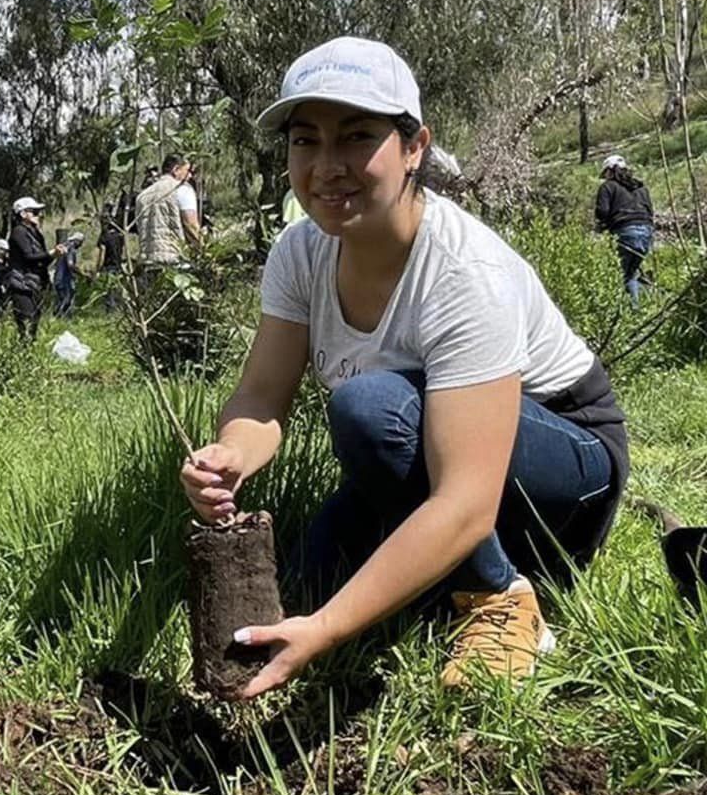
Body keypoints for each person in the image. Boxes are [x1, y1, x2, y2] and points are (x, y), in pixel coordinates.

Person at [180, 36, 628, 699]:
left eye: (356, 137)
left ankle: (501, 598)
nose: (326, 167)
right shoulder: (300, 255)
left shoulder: (463, 272)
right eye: (306, 141)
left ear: (415, 145)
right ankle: (448, 582)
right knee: (309, 578)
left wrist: (327, 630)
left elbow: (467, 502)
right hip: (431, 452)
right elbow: (262, 396)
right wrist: (230, 456)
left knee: (370, 409)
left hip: (566, 464)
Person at [595, 154, 654, 305]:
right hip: (646, 233)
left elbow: (602, 212)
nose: (605, 177)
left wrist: (602, 226)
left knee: (623, 275)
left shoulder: (608, 187)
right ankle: (645, 299)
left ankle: (632, 311)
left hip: (625, 233)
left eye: (605, 173)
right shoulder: (641, 188)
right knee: (632, 272)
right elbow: (650, 211)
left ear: (610, 170)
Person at [6, 196, 64, 341]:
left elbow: (41, 261)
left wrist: (54, 255)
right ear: (23, 214)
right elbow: (29, 257)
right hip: (22, 286)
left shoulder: (36, 233)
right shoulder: (18, 232)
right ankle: (24, 358)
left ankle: (29, 354)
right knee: (26, 324)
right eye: (35, 212)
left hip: (35, 285)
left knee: (34, 325)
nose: (39, 215)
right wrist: (50, 253)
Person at [135, 153, 201, 267]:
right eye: (187, 171)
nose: (190, 176)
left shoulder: (142, 196)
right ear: (176, 169)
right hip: (175, 261)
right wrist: (204, 250)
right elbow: (191, 226)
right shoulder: (182, 189)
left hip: (147, 262)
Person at [53, 231, 85, 318]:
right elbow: (70, 265)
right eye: (81, 243)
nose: (81, 245)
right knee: (67, 299)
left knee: (60, 299)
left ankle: (56, 318)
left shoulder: (64, 247)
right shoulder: (71, 249)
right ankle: (61, 318)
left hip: (57, 277)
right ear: (77, 241)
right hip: (64, 279)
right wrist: (81, 274)